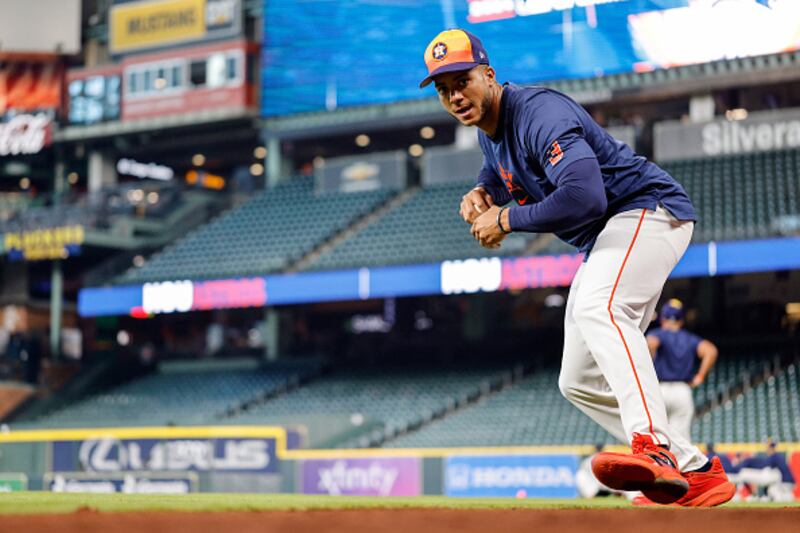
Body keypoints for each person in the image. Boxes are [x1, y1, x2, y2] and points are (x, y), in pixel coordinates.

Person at [420, 28, 735, 507]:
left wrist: (505, 218)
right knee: (577, 380)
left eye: (462, 81)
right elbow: (501, 171)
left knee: (600, 308)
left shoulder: (538, 113)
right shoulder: (491, 132)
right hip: (610, 235)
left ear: (489, 75)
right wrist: (481, 192)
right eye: (444, 90)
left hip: (647, 210)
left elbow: (585, 197)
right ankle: (695, 472)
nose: (455, 96)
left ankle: (654, 446)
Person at [646, 299, 719, 442]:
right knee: (680, 440)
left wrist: (649, 362)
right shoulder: (689, 338)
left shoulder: (658, 334)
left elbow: (650, 343)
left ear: (663, 318)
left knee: (655, 438)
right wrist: (700, 376)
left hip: (659, 390)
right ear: (681, 321)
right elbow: (711, 351)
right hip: (682, 390)